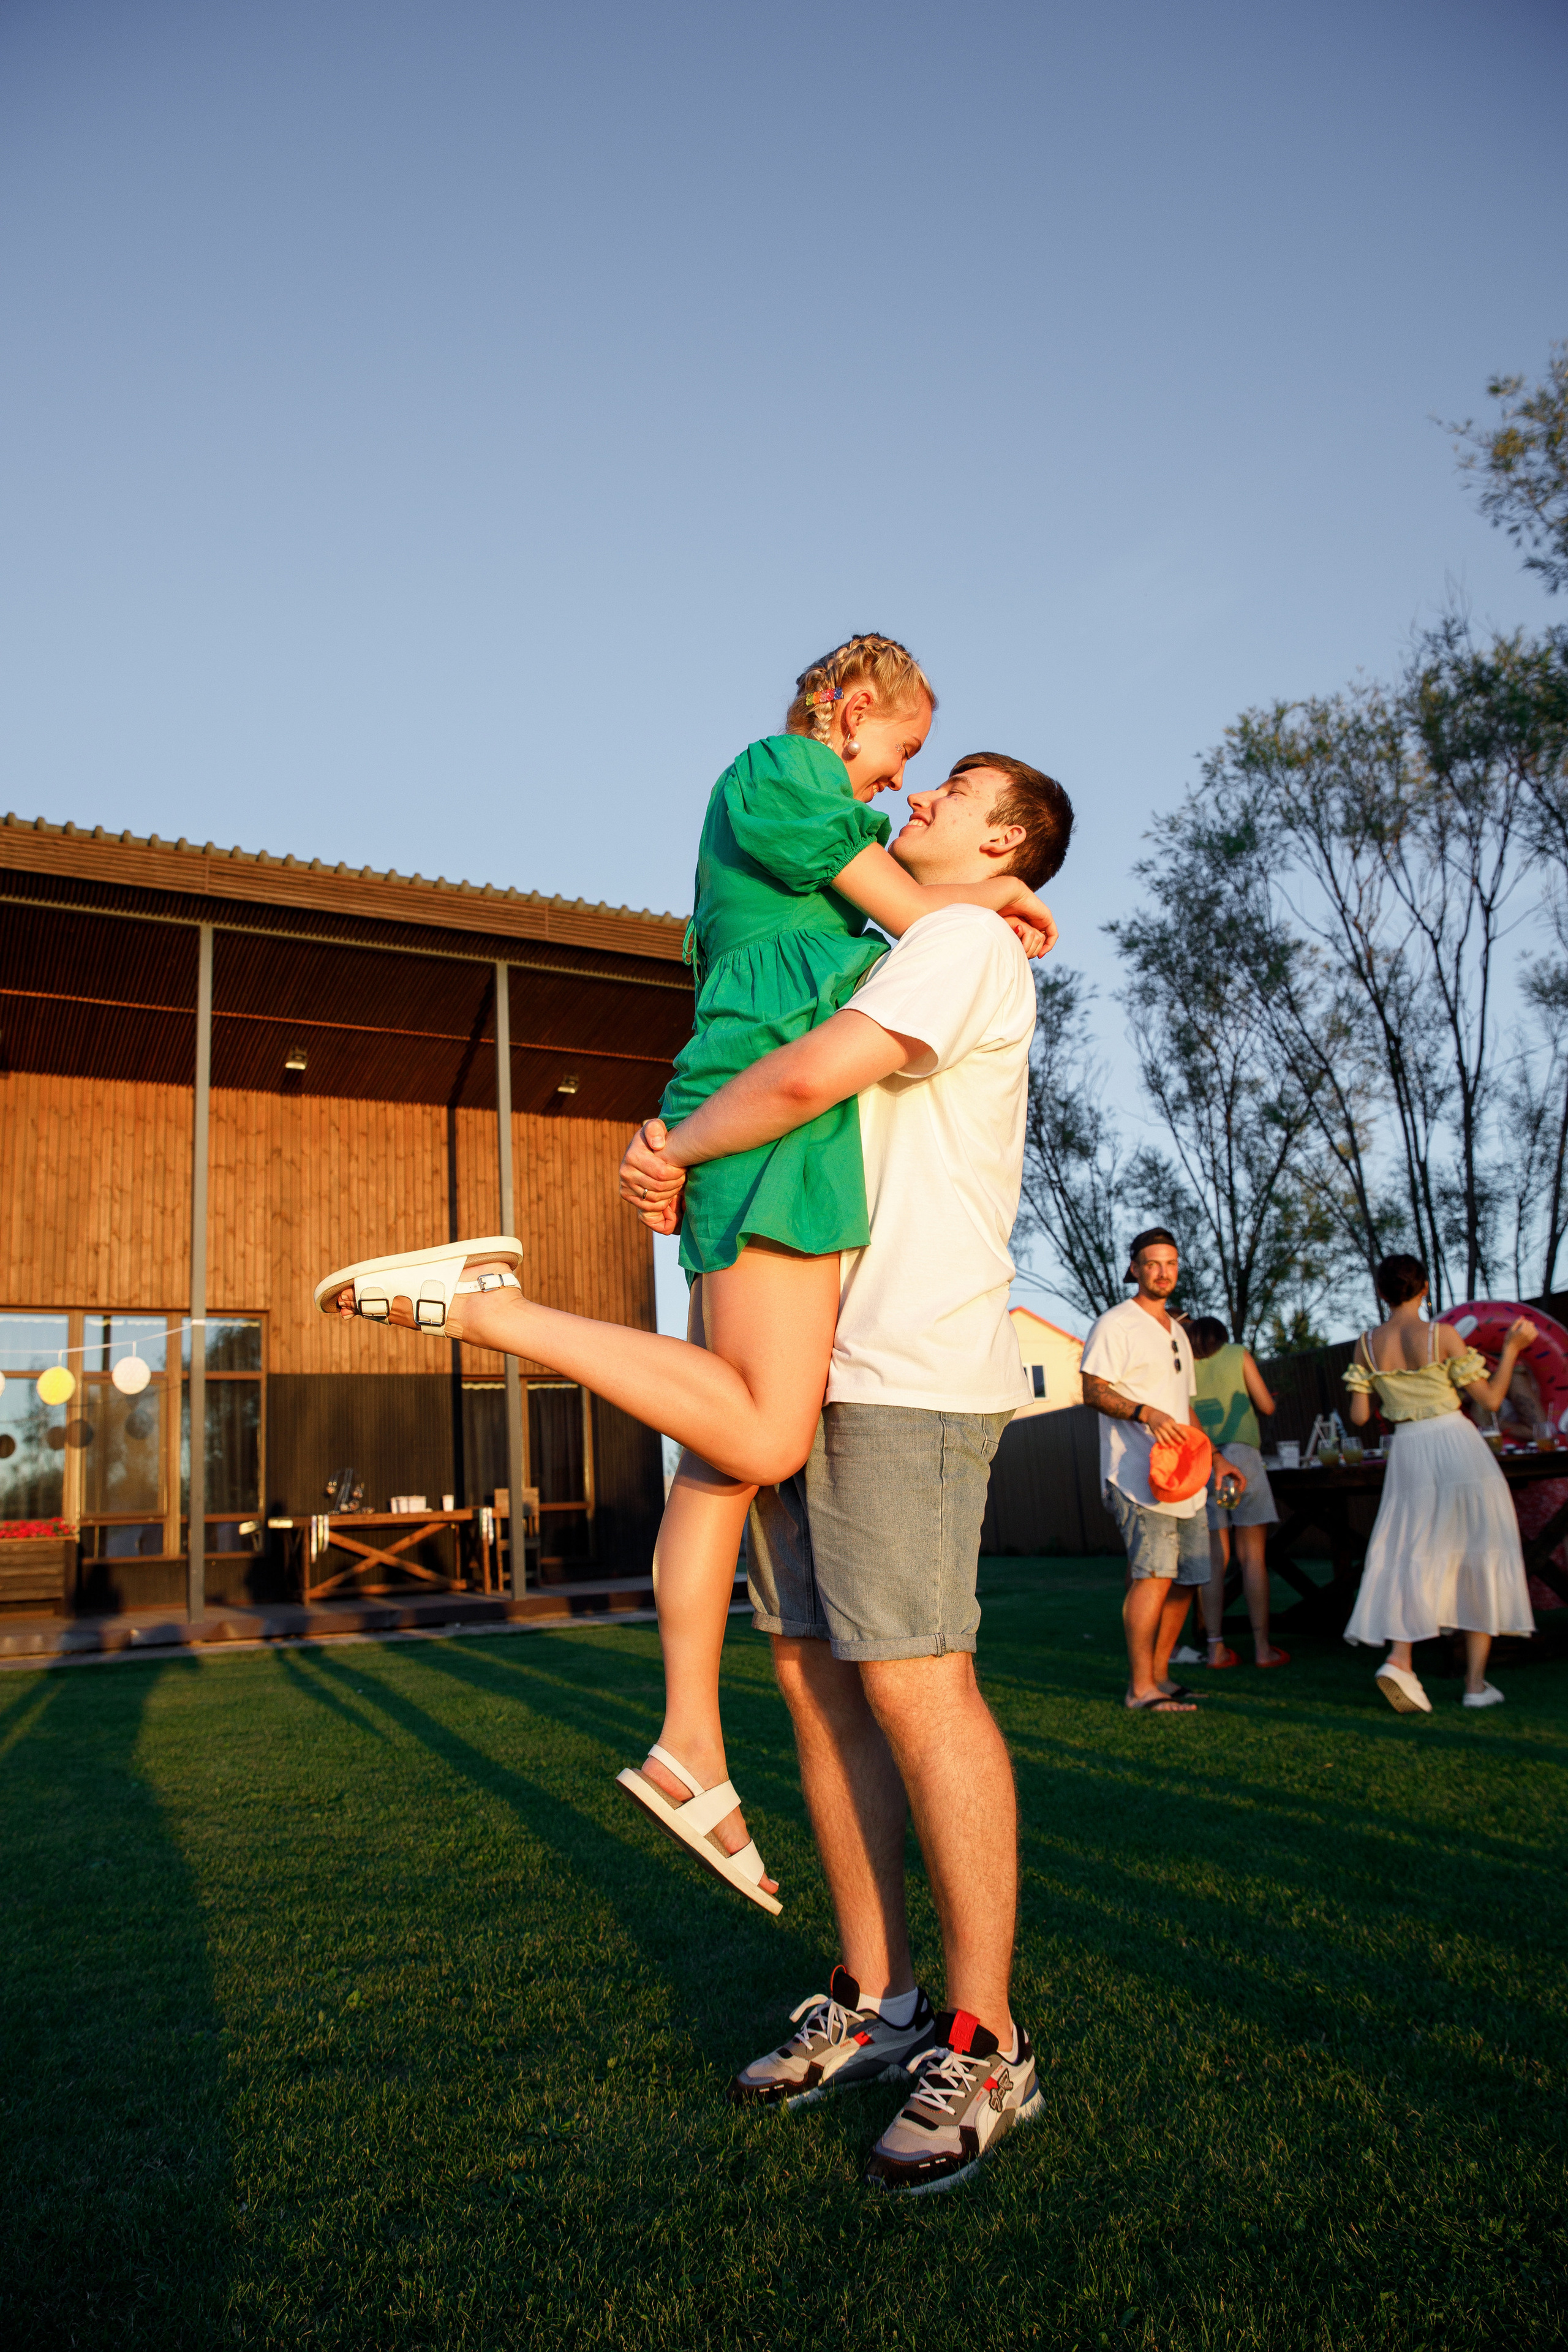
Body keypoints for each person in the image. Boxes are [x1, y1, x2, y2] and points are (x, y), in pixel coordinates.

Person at [315, 645, 1059, 1909]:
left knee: (717, 1458)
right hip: (766, 1120)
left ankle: (689, 1751)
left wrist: (996, 907)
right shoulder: (790, 779)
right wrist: (1004, 909)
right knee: (761, 1435)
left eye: (939, 781)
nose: (909, 783)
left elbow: (899, 930)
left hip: (752, 1120)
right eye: (908, 749)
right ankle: (488, 1306)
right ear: (856, 709)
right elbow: (896, 936)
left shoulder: (865, 870)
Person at [627, 766, 1072, 2194]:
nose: (918, 797)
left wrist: (672, 1145)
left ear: (1005, 845)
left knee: (914, 1682)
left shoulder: (958, 946)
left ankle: (984, 2039)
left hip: (906, 1377)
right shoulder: (907, 937)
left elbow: (811, 1076)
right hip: (813, 1368)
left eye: (956, 791)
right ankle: (878, 2001)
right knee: (816, 1679)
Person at [1342, 1254, 1536, 1713]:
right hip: (1456, 1445)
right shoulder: (1441, 1335)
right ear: (1425, 1288)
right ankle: (1474, 1685)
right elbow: (1488, 1399)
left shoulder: (1366, 1345)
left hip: (1408, 1452)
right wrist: (1510, 1351)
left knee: (1411, 1552)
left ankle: (1401, 1660)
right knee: (1479, 1550)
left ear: (1382, 1293)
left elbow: (1359, 1416)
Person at [1080, 1231, 1221, 1713]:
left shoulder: (1178, 1331)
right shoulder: (1115, 1325)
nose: (1163, 1272)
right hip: (1137, 1477)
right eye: (1152, 1263)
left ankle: (1161, 1675)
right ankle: (1140, 1688)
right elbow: (1093, 1391)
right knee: (1155, 1576)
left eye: (1171, 1263)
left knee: (1188, 1577)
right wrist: (1147, 1414)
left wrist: (1216, 1458)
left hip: (1187, 1479)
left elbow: (1185, 1408)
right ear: (1135, 1269)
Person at [1189, 1316, 1287, 1671]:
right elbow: (1267, 1405)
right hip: (1242, 1458)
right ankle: (1263, 1648)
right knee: (1253, 1558)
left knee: (1216, 1560)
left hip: (1206, 1462)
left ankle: (1216, 1649)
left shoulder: (1183, 1362)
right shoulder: (1236, 1354)